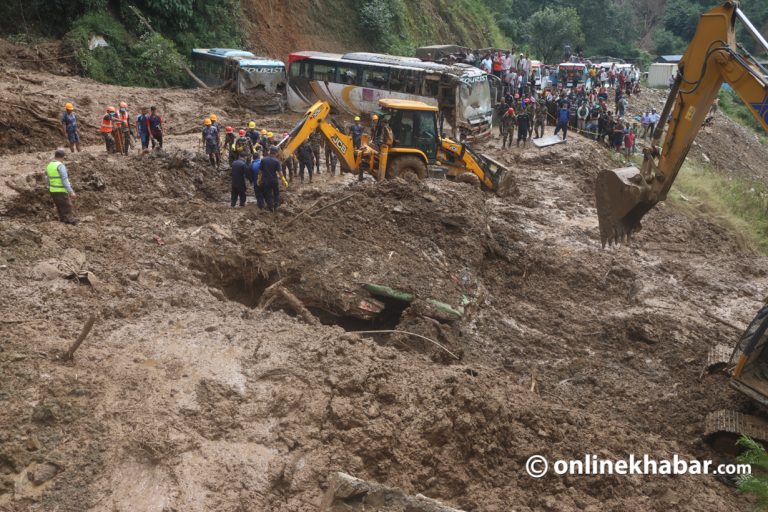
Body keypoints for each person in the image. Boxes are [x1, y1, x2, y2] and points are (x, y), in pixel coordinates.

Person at [46, 149, 77, 224]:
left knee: (60, 207)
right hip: (60, 190)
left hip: (52, 190)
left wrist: (49, 187)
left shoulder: (49, 165)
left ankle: (63, 222)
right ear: (63, 157)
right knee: (67, 207)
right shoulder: (60, 166)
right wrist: (71, 191)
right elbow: (65, 180)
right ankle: (69, 222)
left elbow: (47, 178)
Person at [260, 147, 284, 212]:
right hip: (274, 180)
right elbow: (280, 172)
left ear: (269, 152)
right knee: (276, 193)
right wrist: (283, 180)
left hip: (265, 180)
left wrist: (259, 179)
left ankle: (270, 207)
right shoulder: (276, 161)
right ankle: (276, 206)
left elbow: (260, 171)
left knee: (268, 194)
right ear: (276, 153)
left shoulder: (263, 160)